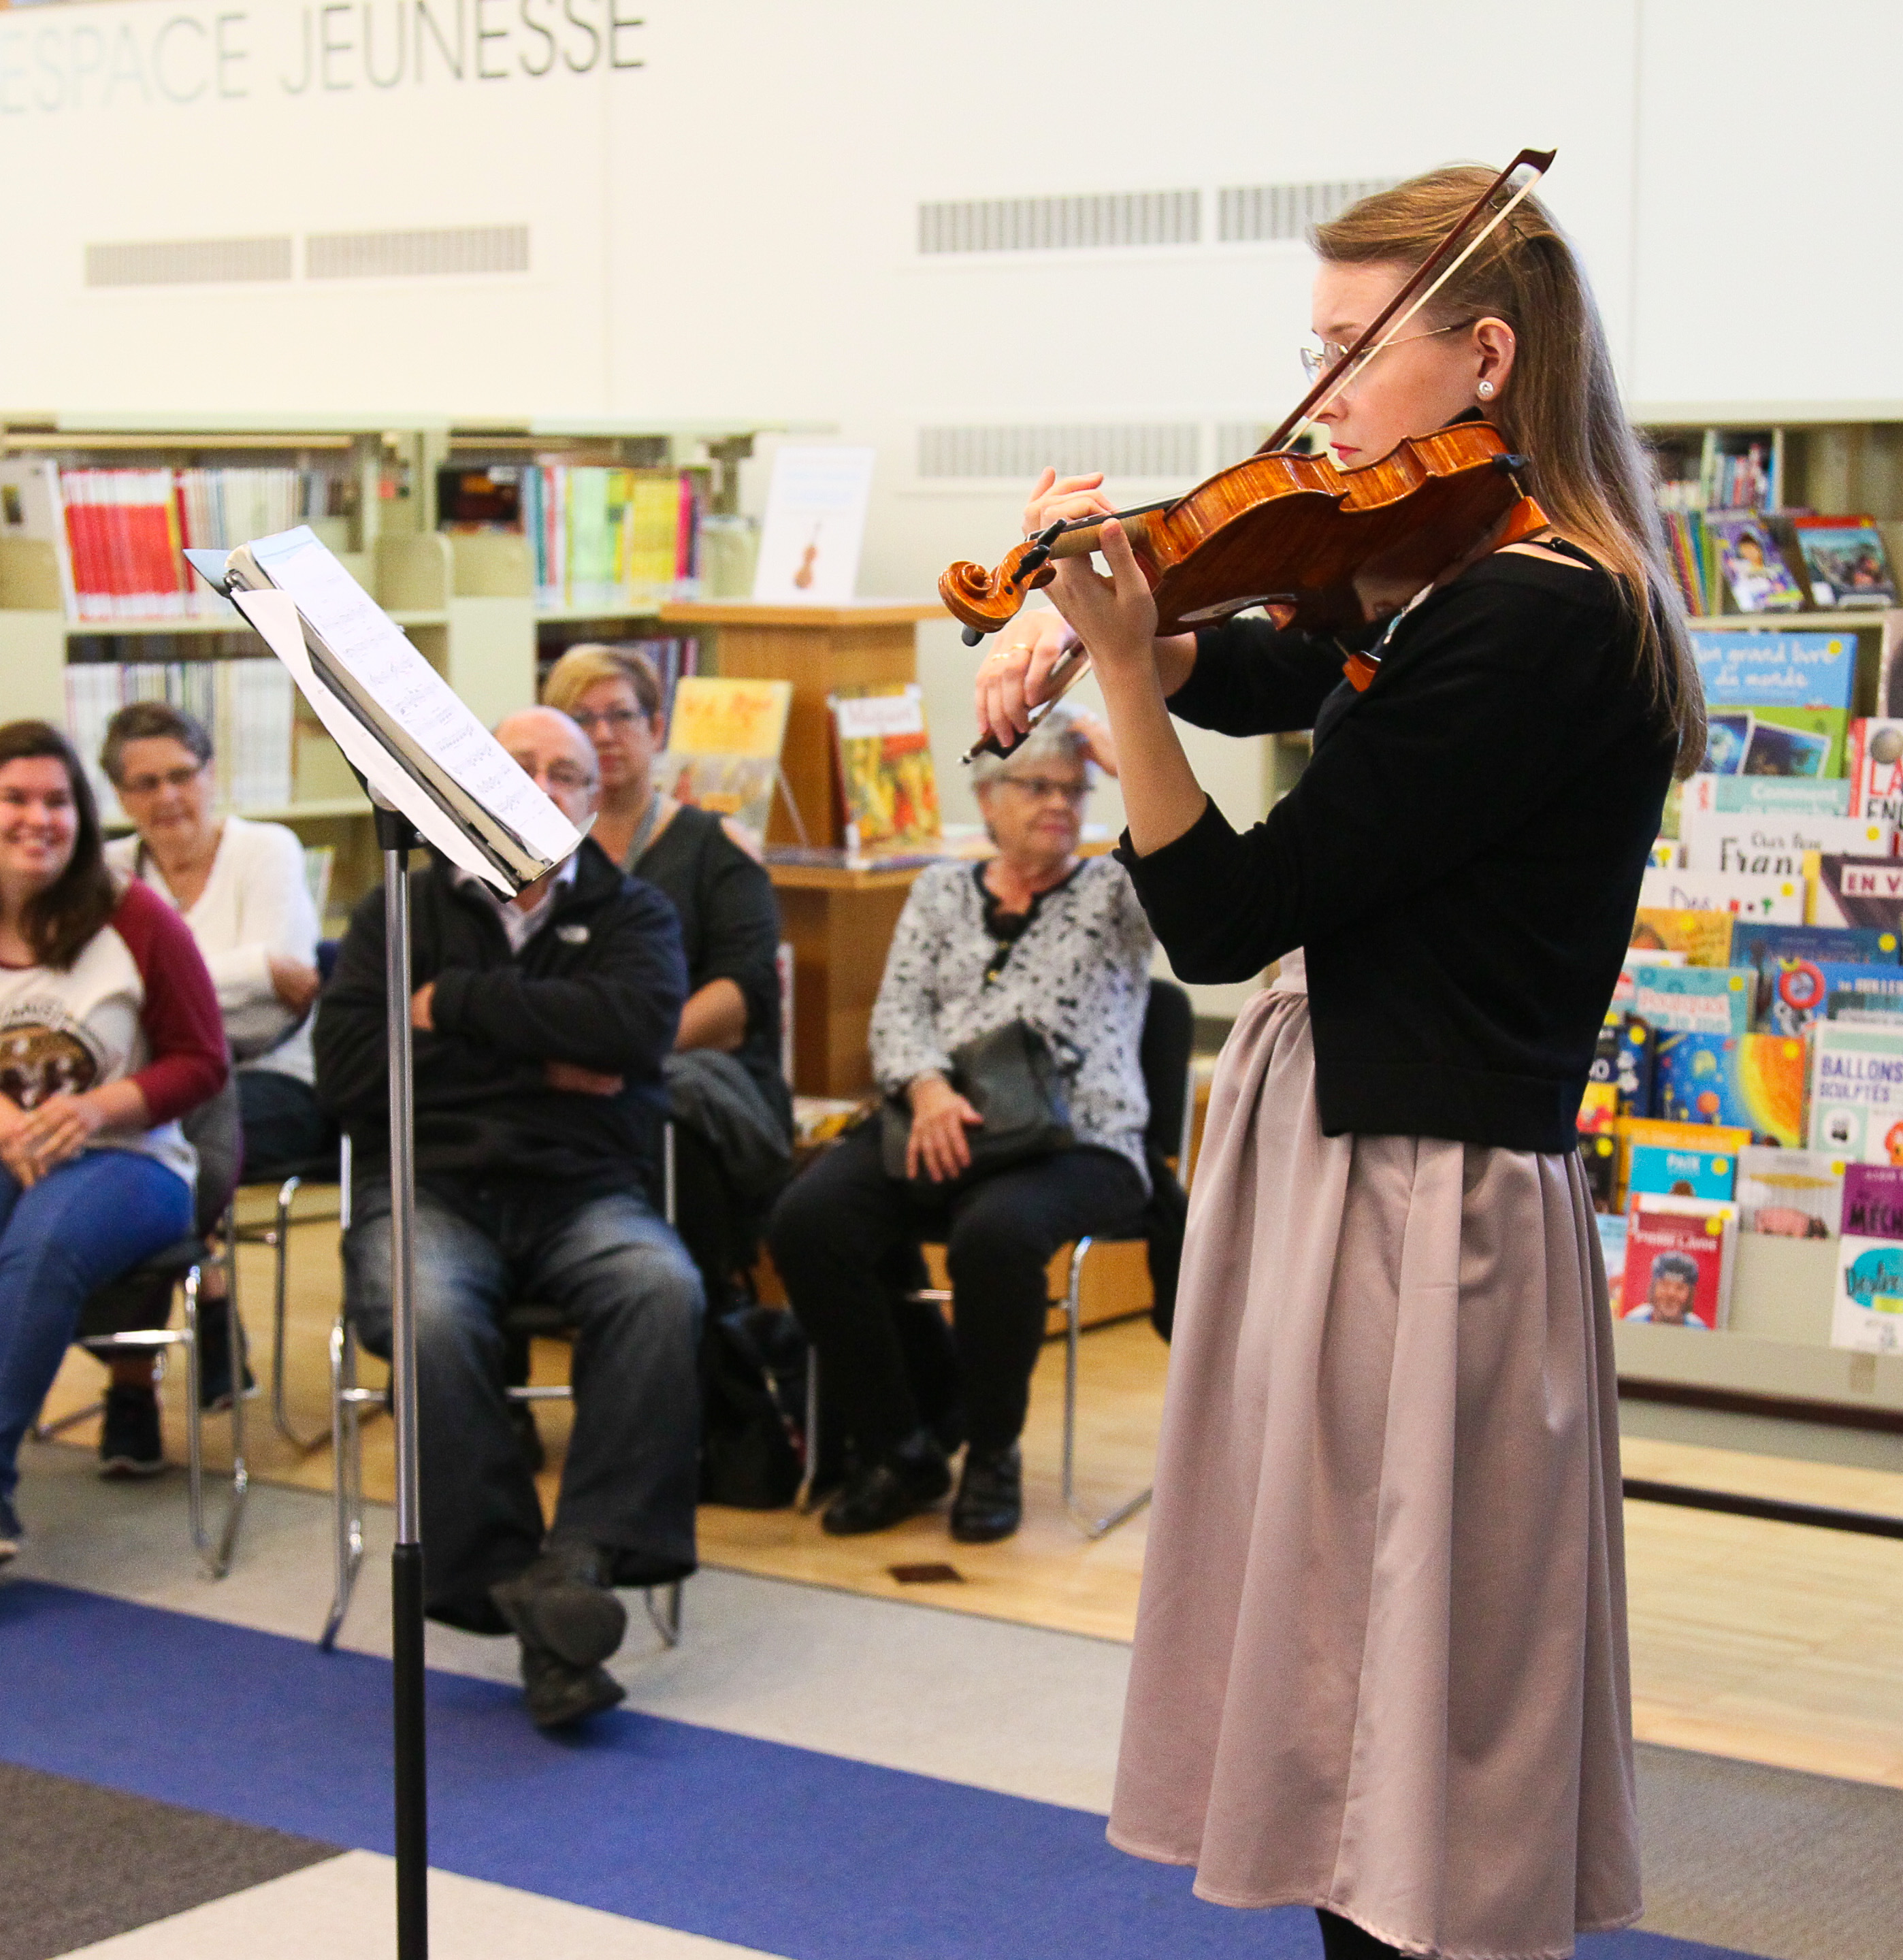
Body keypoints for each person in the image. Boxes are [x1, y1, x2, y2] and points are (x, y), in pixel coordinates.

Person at [974, 168, 1695, 1959]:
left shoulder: (1543, 614)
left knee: (1407, 1718)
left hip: (1423, 1195)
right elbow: (1280, 656)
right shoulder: (1443, 572)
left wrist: (1124, 668)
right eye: (1314, 350)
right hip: (1352, 1154)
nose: (1321, 407)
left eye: (1358, 352)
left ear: (1487, 358)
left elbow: (1227, 915)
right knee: (1336, 1681)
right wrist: (1110, 625)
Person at [313, 706, 702, 1732]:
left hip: (584, 1189)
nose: (536, 783)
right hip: (431, 1189)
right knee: (429, 1314)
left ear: (590, 799)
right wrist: (549, 1057)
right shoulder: (395, 910)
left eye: (562, 771)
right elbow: (351, 1072)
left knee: (661, 1287)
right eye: (513, 763)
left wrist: (451, 1010)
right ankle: (527, 1589)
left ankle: (576, 1558)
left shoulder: (636, 916)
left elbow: (633, 1035)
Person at [764, 717, 1152, 1546]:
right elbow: (898, 1010)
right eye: (1038, 787)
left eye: (1072, 790)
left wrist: (1126, 764)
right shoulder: (941, 888)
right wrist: (930, 1088)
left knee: (996, 1235)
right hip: (942, 1121)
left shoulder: (1118, 891)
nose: (1060, 804)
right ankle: (900, 1447)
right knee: (809, 1220)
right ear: (988, 799)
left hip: (1080, 1139)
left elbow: (1205, 888)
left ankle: (992, 1454)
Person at [0, 721, 226, 1580]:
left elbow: (203, 1061)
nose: (39, 819)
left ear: (83, 815)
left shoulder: (136, 919)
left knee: (43, 1241)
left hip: (132, 1158)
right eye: (16, 800)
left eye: (58, 801)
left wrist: (97, 1107)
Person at [97, 698, 326, 1475]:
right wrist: (251, 969)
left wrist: (161, 992)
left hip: (274, 1081)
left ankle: (131, 1385)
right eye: (144, 784)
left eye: (181, 777)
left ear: (211, 775)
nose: (166, 799)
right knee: (152, 1138)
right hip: (159, 1095)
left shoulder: (267, 850)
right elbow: (264, 977)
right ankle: (212, 1291)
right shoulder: (107, 875)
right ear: (121, 798)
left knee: (169, 1143)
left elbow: (284, 991)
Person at [539, 647, 791, 1317]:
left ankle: (692, 1331)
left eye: (620, 716)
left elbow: (739, 997)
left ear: (656, 729)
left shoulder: (720, 848)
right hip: (571, 1075)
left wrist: (629, 1053)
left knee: (661, 1118)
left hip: (702, 1075)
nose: (601, 736)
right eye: (580, 718)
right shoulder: (535, 858)